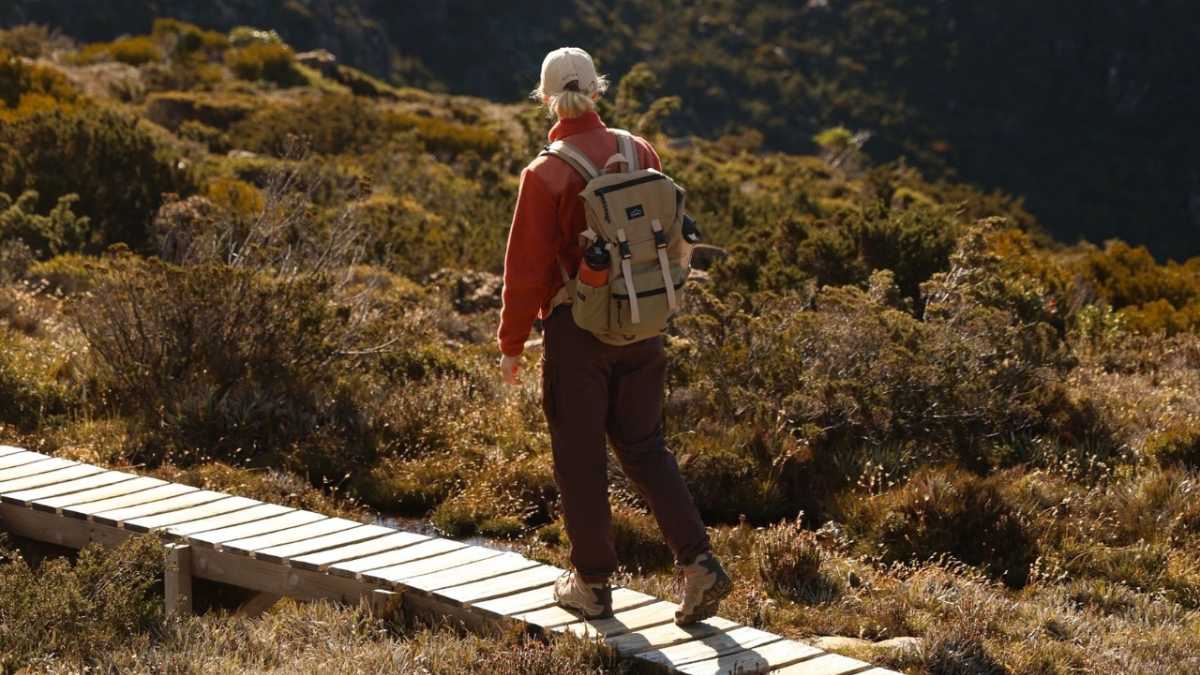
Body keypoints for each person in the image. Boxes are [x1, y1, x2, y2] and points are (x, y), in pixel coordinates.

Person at [496, 47, 732, 626]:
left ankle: (593, 586)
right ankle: (699, 564)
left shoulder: (546, 172)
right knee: (645, 447)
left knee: (580, 458)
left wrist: (510, 344)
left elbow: (525, 272)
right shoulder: (639, 150)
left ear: (547, 98)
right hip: (645, 325)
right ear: (597, 91)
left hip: (578, 332)